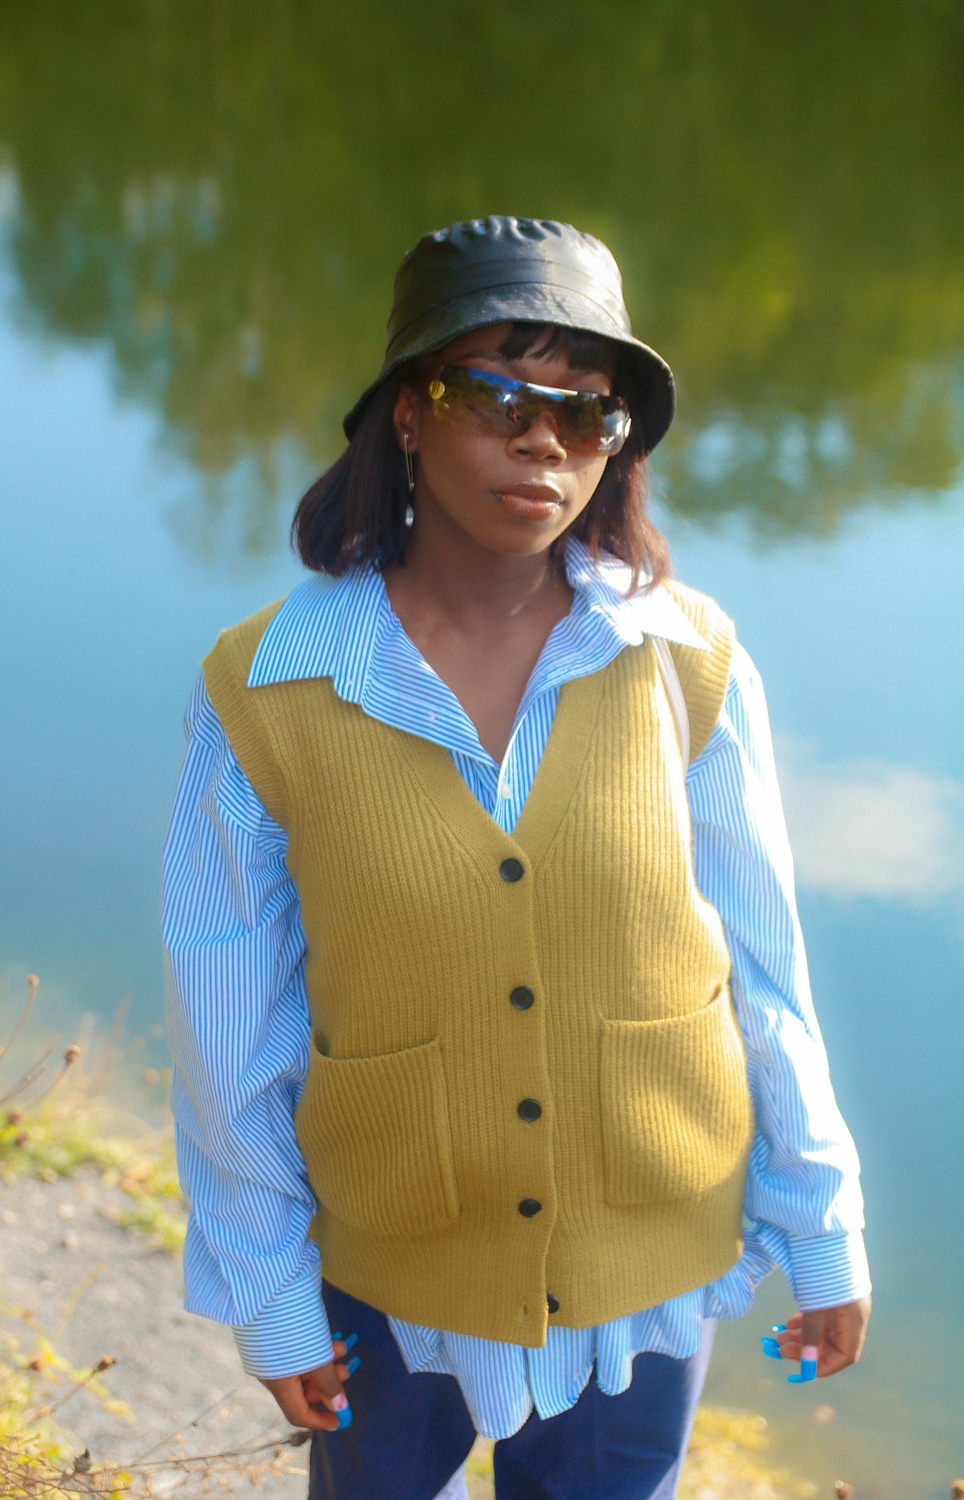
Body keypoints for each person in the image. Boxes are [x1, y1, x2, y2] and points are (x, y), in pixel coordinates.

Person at [162, 216, 871, 1500]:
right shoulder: (266, 686)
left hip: (644, 1270)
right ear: (407, 414)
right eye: (495, 391)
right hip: (389, 1272)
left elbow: (765, 971)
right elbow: (228, 1025)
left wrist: (823, 1231)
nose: (543, 437)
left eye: (588, 411)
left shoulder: (687, 661)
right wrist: (268, 1290)